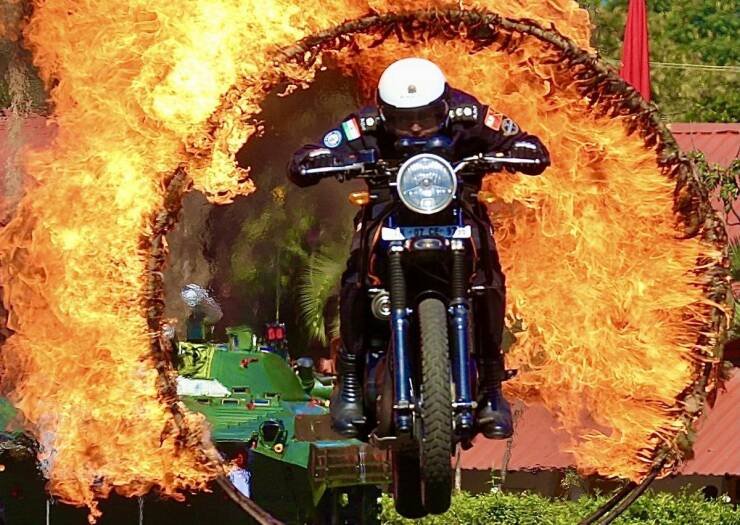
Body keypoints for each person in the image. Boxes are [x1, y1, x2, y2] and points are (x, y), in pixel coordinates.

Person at [287, 57, 550, 439]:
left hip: (457, 208)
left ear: (443, 106)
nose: (414, 126)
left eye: (424, 117)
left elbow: (517, 139)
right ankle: (349, 384)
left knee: (488, 278)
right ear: (384, 112)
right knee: (357, 275)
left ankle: (493, 389)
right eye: (403, 119)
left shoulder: (468, 114)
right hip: (388, 211)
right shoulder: (366, 123)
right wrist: (316, 159)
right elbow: (315, 152)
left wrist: (523, 149)